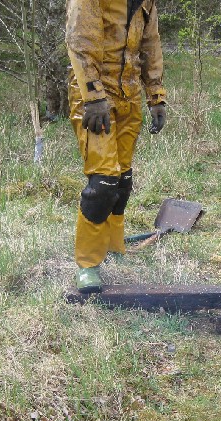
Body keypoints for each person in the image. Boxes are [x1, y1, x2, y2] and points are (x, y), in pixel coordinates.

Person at [65, 0, 168, 293]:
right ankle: (88, 265)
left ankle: (113, 246)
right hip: (95, 93)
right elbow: (79, 41)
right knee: (103, 182)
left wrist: (156, 96)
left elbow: (150, 44)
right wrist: (93, 97)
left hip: (129, 91)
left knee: (123, 178)